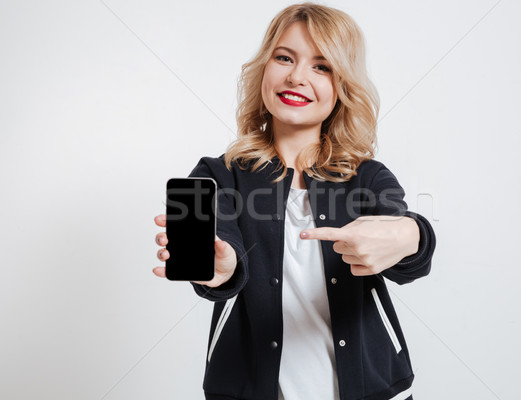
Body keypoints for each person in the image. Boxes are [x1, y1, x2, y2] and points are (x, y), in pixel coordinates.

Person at [153, 3, 435, 399]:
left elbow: (405, 247)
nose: (297, 76)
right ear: (264, 69)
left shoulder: (367, 176)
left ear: (342, 86)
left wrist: (411, 235)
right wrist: (224, 266)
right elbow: (221, 256)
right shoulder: (219, 175)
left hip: (374, 387)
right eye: (284, 58)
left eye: (322, 66)